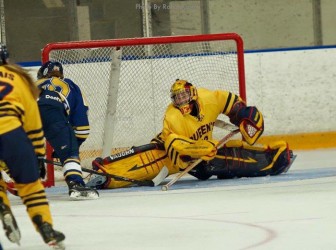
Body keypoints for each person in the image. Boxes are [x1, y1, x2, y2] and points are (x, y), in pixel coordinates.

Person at [87, 79, 294, 189]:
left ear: (193, 93)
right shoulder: (172, 116)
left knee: (231, 160)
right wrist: (197, 149)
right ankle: (104, 175)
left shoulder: (208, 98)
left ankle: (273, 159)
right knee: (147, 160)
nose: (181, 100)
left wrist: (242, 113)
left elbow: (229, 101)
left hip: (206, 154)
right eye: (177, 97)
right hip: (174, 155)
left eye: (184, 95)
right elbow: (175, 145)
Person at [0, 43, 65, 248]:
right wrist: (37, 154)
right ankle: (45, 227)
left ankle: (3, 207)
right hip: (13, 135)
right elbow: (33, 121)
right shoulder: (18, 77)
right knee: (30, 186)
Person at [36, 61, 98, 199]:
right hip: (51, 110)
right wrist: (69, 147)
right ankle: (76, 184)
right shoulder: (69, 85)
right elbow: (82, 128)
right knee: (70, 152)